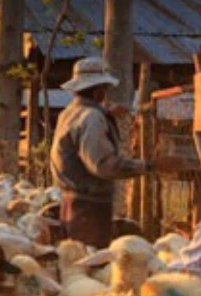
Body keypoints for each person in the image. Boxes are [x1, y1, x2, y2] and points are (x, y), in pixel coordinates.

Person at [50, 57, 183, 248]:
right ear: (98, 90)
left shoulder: (69, 113)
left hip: (72, 203)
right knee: (92, 263)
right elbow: (103, 165)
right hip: (89, 209)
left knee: (77, 263)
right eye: (104, 89)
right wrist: (151, 165)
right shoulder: (92, 117)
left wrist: (106, 113)